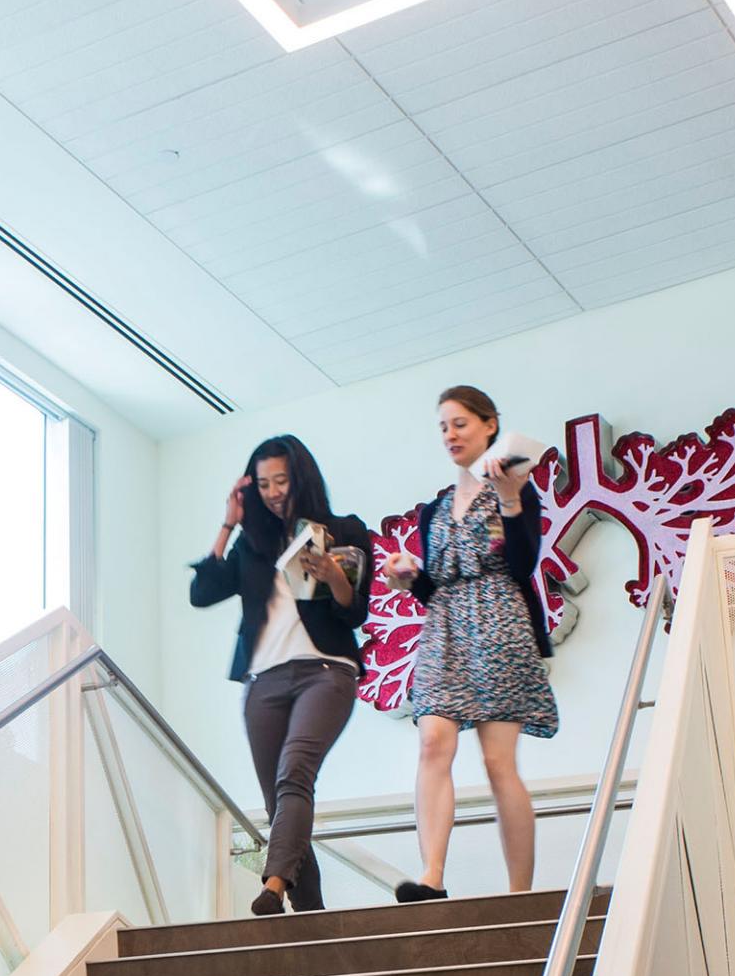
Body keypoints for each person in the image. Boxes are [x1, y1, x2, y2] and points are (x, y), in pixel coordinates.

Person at [382, 386, 557, 902]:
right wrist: (406, 579)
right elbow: (433, 584)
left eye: (459, 423)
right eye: (442, 426)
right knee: (433, 740)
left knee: (498, 763)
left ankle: (519, 892)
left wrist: (509, 500)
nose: (450, 434)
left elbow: (524, 563)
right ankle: (431, 876)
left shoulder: (518, 488)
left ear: (489, 425)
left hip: (500, 625)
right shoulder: (434, 508)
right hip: (445, 628)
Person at [190, 434, 373, 916]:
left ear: (302, 478)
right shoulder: (252, 546)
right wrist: (228, 524)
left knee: (295, 772)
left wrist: (333, 575)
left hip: (326, 672)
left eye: (282, 480)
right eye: (264, 483)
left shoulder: (343, 528)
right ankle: (309, 915)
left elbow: (355, 613)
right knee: (279, 803)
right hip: (262, 683)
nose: (273, 491)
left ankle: (271, 887)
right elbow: (203, 592)